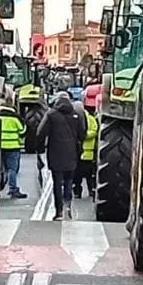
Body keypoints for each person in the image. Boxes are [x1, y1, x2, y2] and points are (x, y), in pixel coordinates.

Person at [37, 91, 86, 220]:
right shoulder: (76, 114)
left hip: (55, 153)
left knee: (57, 182)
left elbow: (40, 132)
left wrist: (40, 147)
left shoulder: (51, 114)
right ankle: (67, 205)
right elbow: (82, 133)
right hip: (72, 153)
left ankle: (58, 212)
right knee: (69, 181)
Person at [0, 94, 27, 199]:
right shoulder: (15, 118)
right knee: (12, 169)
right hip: (13, 146)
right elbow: (22, 130)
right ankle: (13, 189)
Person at [74, 88, 99, 199]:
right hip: (77, 154)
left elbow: (94, 131)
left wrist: (83, 135)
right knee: (77, 176)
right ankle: (78, 192)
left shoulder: (90, 119)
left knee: (88, 175)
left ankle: (91, 191)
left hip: (87, 153)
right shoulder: (74, 118)